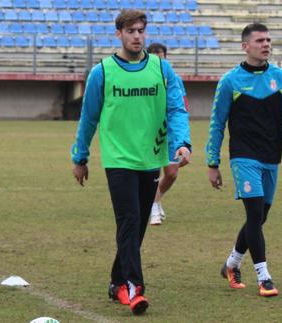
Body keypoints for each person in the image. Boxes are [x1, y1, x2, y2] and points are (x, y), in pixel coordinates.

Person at [71, 10, 191, 315]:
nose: (137, 36)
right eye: (131, 31)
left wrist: (182, 143)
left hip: (150, 158)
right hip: (118, 160)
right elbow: (89, 118)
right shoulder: (103, 72)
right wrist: (80, 157)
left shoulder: (162, 70)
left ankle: (116, 282)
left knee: (137, 227)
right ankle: (135, 288)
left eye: (141, 31)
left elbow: (176, 110)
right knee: (128, 220)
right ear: (119, 34)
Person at [205, 23, 282, 297]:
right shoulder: (230, 81)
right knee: (254, 214)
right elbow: (216, 124)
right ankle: (264, 277)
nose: (266, 44)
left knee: (261, 215)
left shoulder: (280, 78)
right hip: (243, 157)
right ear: (245, 46)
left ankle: (232, 263)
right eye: (260, 40)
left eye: (269, 39)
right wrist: (213, 163)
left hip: (271, 157)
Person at [146, 43, 190, 225]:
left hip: (171, 132)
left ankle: (154, 200)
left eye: (160, 55)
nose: (158, 58)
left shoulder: (174, 79)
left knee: (171, 173)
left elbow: (182, 105)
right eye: (153, 55)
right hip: (150, 133)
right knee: (151, 173)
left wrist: (183, 137)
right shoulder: (144, 78)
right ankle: (154, 205)